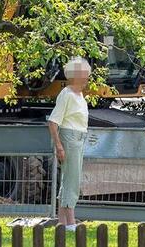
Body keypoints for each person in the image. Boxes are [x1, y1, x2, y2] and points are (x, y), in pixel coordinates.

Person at [47, 56, 91, 231]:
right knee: (72, 179)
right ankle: (70, 222)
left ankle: (62, 222)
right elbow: (53, 122)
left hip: (79, 137)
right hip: (70, 138)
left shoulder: (79, 94)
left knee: (70, 178)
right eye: (84, 73)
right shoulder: (66, 94)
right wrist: (58, 145)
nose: (87, 76)